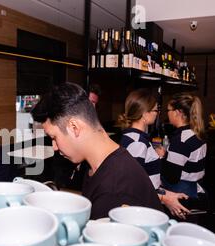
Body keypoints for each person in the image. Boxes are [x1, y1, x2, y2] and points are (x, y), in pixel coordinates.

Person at [30, 82, 163, 220]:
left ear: (74, 127)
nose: (54, 147)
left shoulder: (114, 189)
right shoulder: (100, 164)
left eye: (54, 137)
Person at [118, 89, 190, 219]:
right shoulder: (137, 142)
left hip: (148, 201)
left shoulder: (137, 138)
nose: (157, 114)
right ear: (144, 114)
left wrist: (168, 194)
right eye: (156, 110)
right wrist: (164, 199)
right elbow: (134, 186)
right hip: (142, 208)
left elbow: (148, 179)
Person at [158, 93, 208, 216]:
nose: (167, 113)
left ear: (178, 112)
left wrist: (162, 157)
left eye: (168, 110)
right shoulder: (196, 133)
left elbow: (172, 176)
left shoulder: (181, 140)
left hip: (182, 193)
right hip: (193, 188)